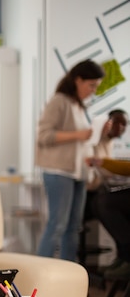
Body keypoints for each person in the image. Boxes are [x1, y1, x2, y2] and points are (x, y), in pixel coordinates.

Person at [35, 59, 105, 261]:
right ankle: (40, 272)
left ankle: (69, 276)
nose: (93, 90)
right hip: (59, 172)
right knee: (57, 224)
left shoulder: (79, 106)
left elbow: (82, 140)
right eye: (91, 85)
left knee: (73, 227)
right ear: (78, 80)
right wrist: (78, 134)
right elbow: (44, 136)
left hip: (78, 172)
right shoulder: (59, 102)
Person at [86, 110, 130, 279]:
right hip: (93, 188)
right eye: (116, 123)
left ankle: (126, 256)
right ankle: (123, 255)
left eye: (123, 124)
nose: (120, 128)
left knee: (104, 203)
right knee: (102, 202)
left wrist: (103, 162)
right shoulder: (97, 140)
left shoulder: (107, 144)